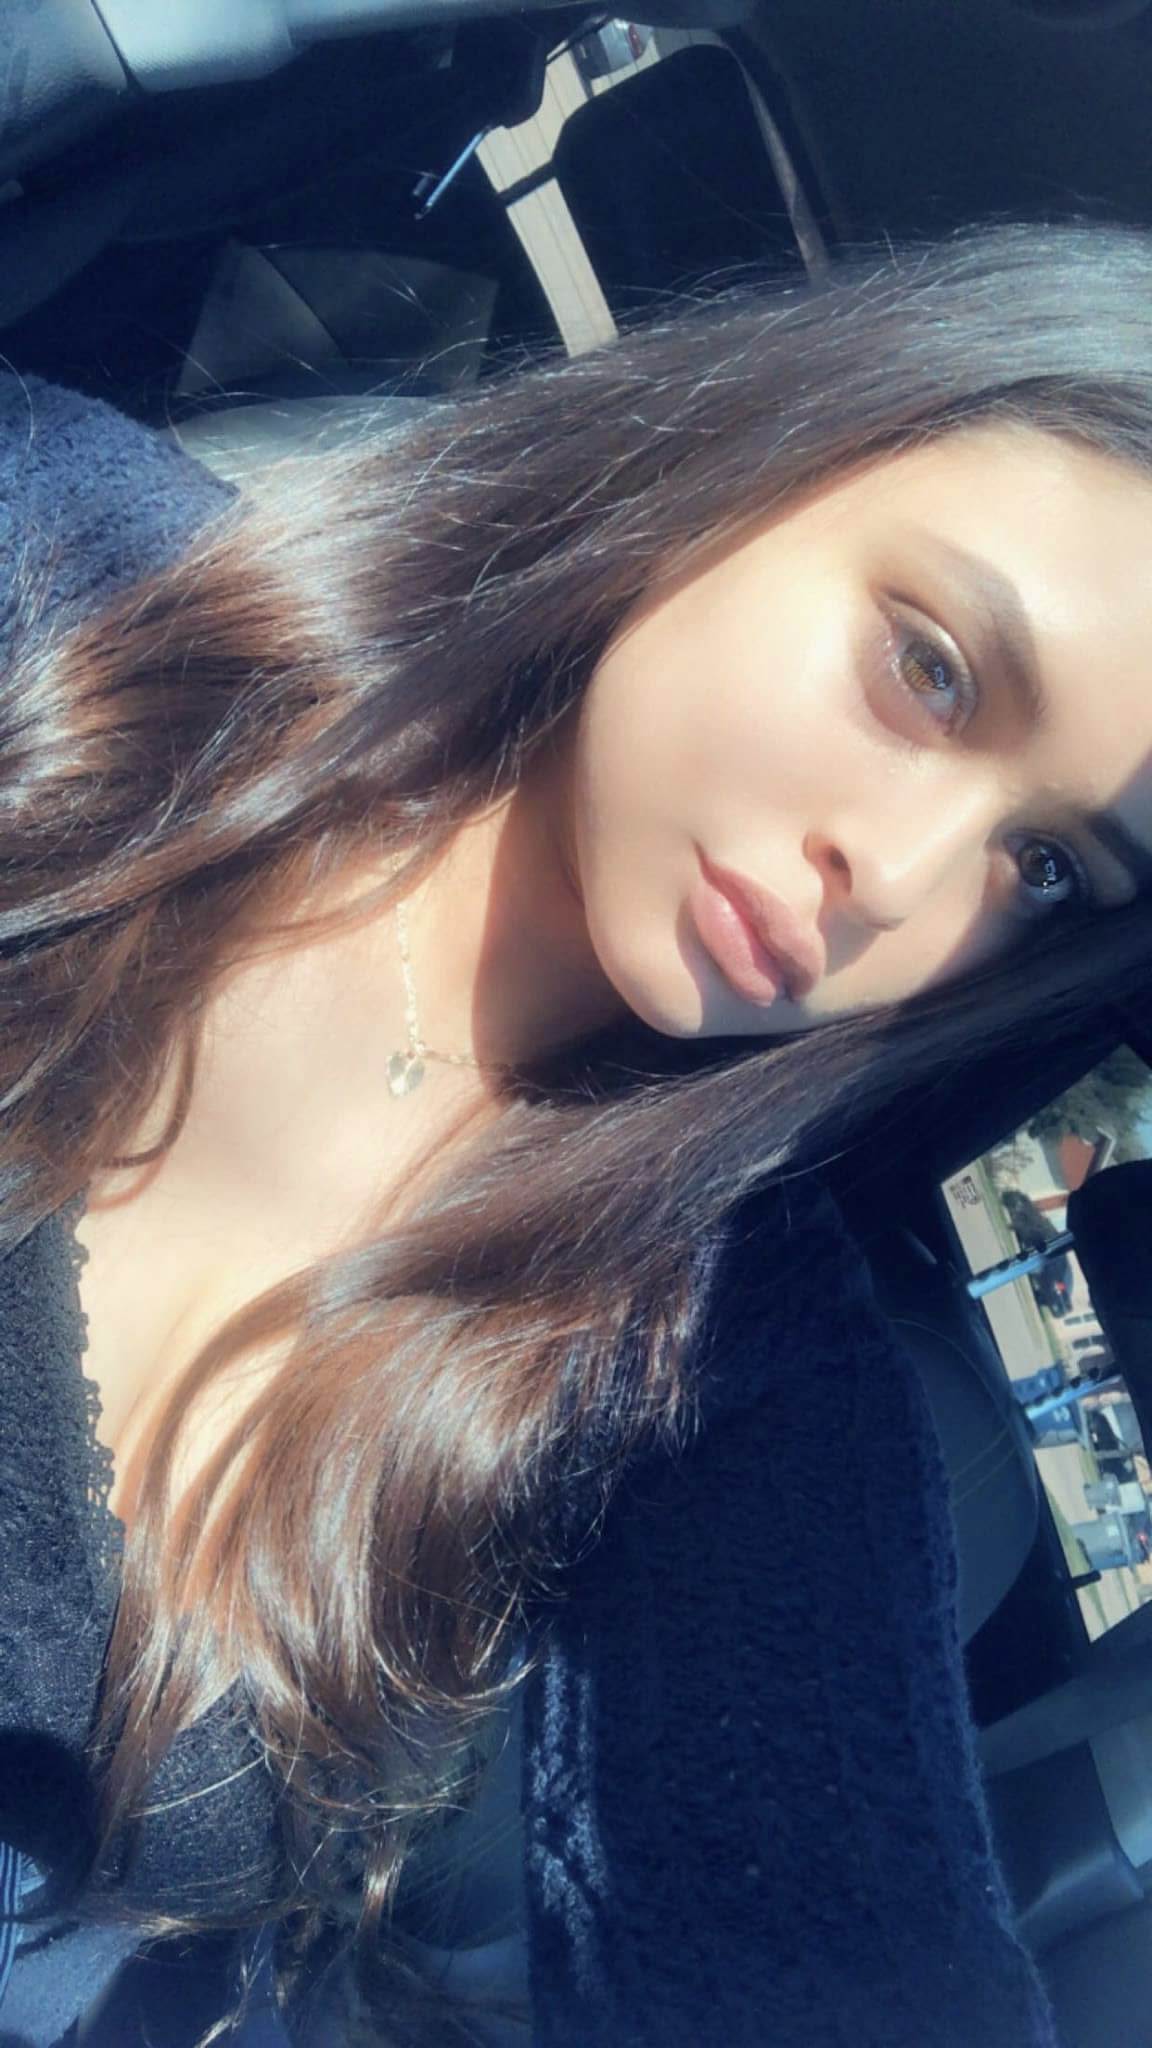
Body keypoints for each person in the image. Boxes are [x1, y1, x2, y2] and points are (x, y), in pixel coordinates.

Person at [3, 214, 1152, 2048]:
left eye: (1043, 866)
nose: (904, 882)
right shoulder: (67, 589)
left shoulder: (718, 1347)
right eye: (932, 667)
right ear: (768, 452)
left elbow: (833, 1930)